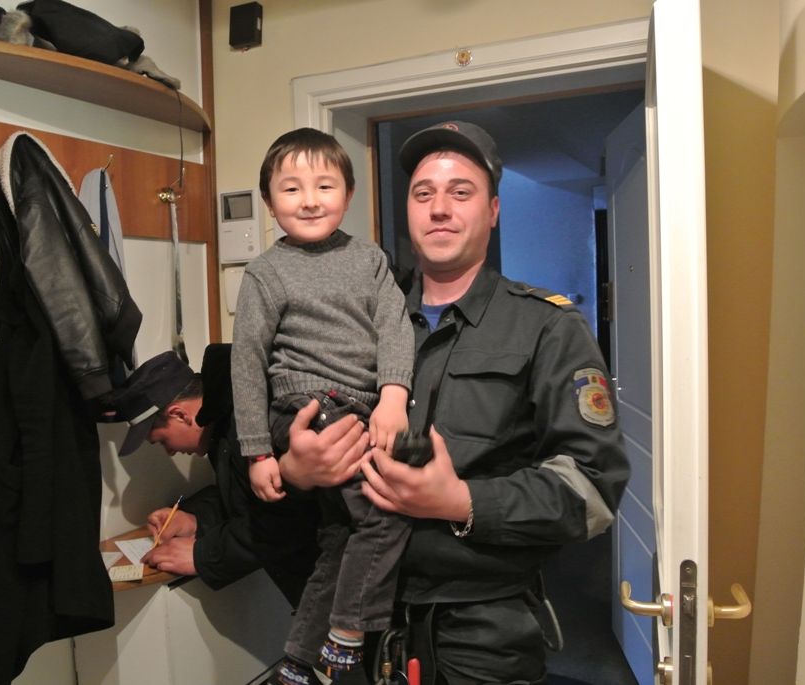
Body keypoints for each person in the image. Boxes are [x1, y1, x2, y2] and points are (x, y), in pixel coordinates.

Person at [276, 121, 631, 685]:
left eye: (460, 192)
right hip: (352, 620)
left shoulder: (547, 326)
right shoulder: (358, 316)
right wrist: (294, 471)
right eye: (423, 193)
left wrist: (461, 501)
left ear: (493, 211)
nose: (439, 208)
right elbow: (284, 417)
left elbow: (592, 489)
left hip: (482, 630)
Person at [231, 128, 415, 685]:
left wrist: (393, 395)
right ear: (270, 202)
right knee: (385, 511)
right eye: (291, 188)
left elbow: (394, 326)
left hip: (361, 408)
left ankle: (298, 659)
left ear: (348, 194)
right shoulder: (267, 272)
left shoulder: (370, 258)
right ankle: (349, 633)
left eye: (325, 186)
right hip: (305, 403)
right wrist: (257, 452)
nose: (309, 200)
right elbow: (247, 362)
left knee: (342, 536)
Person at [111, 346, 320, 608]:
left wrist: (202, 555)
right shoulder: (223, 425)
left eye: (162, 441)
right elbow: (249, 499)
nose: (170, 452)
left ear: (179, 415)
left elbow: (290, 519)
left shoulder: (251, 421)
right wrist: (195, 519)